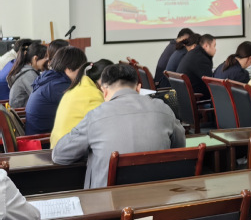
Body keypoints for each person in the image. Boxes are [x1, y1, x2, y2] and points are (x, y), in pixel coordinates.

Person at [52, 63, 186, 189]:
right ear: (138, 88)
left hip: (108, 201)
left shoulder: (95, 115)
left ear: (104, 91)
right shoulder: (164, 109)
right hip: (157, 196)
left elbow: (60, 155)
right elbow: (179, 147)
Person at [50, 59, 113, 148]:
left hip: (58, 146)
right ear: (104, 80)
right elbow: (105, 125)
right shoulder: (93, 94)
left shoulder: (78, 87)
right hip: (68, 150)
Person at [25, 46, 87, 135]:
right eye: (81, 69)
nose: (82, 74)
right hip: (43, 139)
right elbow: (84, 107)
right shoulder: (58, 86)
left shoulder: (50, 78)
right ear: (69, 68)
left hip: (38, 135)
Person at [7, 42, 47, 108]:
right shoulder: (29, 75)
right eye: (46, 59)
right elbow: (40, 97)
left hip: (20, 111)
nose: (48, 62)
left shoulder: (24, 70)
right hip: (21, 112)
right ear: (35, 58)